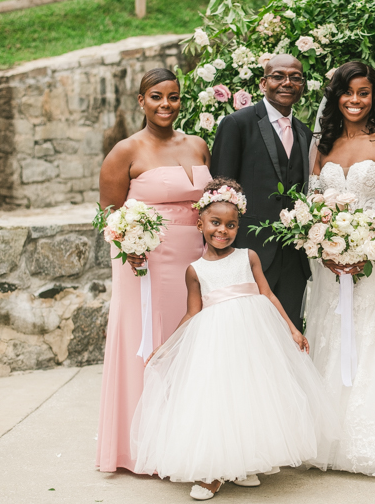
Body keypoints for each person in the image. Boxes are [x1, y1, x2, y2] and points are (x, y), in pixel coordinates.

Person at [131, 178, 339, 501]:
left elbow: (267, 295)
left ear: (238, 225)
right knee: (218, 399)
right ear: (200, 223)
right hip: (214, 341)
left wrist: (292, 328)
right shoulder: (195, 270)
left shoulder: (248, 257)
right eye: (215, 223)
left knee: (249, 394)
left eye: (230, 225)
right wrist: (165, 347)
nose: (222, 231)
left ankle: (243, 462)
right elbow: (192, 314)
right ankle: (214, 471)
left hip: (252, 337)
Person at [303, 61, 375, 479]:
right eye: (348, 93)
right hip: (329, 260)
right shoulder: (325, 146)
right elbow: (313, 209)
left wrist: (370, 249)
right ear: (335, 97)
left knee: (371, 333)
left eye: (364, 93)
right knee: (332, 329)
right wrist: (325, 248)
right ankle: (328, 439)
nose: (355, 100)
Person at [96, 68, 211, 473]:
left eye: (174, 97)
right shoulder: (125, 151)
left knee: (192, 341)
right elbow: (108, 216)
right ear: (141, 101)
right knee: (147, 340)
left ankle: (186, 440)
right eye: (157, 97)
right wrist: (130, 247)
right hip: (144, 262)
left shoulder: (198, 145)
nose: (166, 105)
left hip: (195, 260)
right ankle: (138, 447)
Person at [211, 54, 312, 330]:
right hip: (248, 253)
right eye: (279, 76)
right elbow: (220, 193)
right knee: (249, 336)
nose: (287, 82)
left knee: (289, 334)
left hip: (294, 257)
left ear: (302, 85)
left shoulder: (305, 133)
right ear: (263, 83)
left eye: (295, 77)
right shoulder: (237, 124)